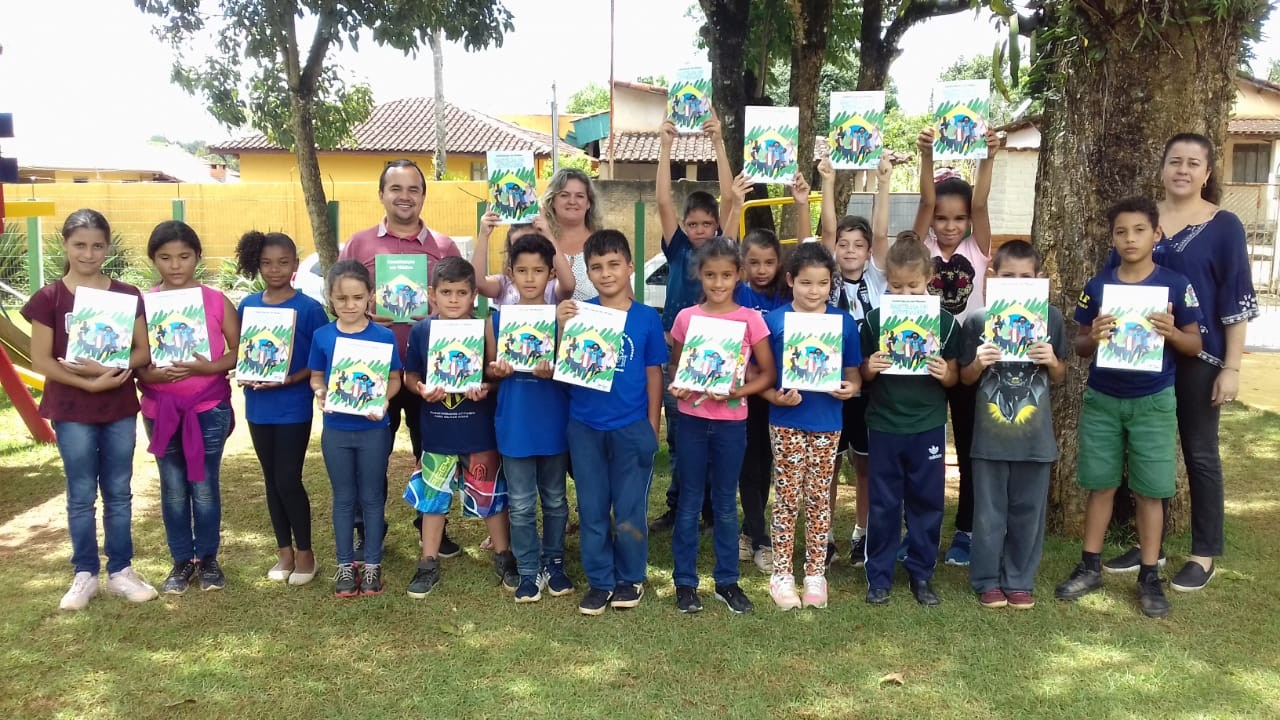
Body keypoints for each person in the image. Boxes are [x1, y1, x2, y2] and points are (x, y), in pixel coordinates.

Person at [1102, 134, 1259, 592]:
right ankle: (1153, 546)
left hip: (1200, 358)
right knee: (1149, 451)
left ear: (1207, 173)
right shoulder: (1144, 222)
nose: (1183, 170)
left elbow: (1236, 299)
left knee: (1200, 452)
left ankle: (1204, 553)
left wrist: (1231, 367)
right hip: (1140, 356)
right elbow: (1118, 279)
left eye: (1194, 163)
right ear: (1163, 168)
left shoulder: (1223, 225)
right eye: (1175, 161)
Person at [1056, 196, 1203, 618]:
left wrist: (1173, 332)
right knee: (1099, 484)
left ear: (1156, 234)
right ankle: (1090, 566)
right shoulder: (1098, 287)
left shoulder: (1175, 285)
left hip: (1154, 400)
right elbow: (1080, 346)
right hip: (1103, 397)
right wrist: (1094, 335)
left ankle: (1149, 575)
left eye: (1139, 230)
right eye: (1121, 231)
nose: (1130, 238)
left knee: (1149, 490)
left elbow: (1195, 344)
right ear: (1112, 237)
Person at [22, 209, 157, 610]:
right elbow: (40, 360)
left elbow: (143, 349)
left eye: (98, 245)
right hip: (71, 408)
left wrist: (111, 369)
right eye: (80, 245)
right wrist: (87, 382)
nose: (88, 253)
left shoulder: (127, 294)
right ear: (65, 244)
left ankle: (120, 571)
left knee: (119, 492)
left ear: (108, 247)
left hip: (117, 405)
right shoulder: (50, 297)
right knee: (81, 493)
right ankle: (84, 574)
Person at [339, 159, 462, 558]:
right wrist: (369, 314)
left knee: (435, 450)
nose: (404, 196)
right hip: (375, 368)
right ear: (381, 194)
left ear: (423, 196)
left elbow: (458, 300)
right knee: (371, 450)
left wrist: (436, 314)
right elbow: (345, 297)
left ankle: (431, 527)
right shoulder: (359, 244)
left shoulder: (443, 246)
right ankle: (365, 528)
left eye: (413, 189)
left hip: (430, 368)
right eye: (396, 188)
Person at [558, 230, 667, 615]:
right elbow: (557, 366)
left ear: (630, 267)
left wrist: (652, 424)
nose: (606, 274)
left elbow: (654, 374)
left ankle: (630, 577)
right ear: (588, 271)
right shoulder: (579, 312)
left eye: (614, 265)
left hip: (631, 427)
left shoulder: (646, 319)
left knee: (629, 508)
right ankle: (600, 580)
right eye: (596, 267)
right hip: (585, 426)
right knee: (591, 507)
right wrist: (560, 327)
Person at [668, 237, 776, 614]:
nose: (718, 283)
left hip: (732, 423)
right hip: (694, 422)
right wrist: (679, 385)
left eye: (726, 275)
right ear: (699, 275)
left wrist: (739, 389)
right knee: (689, 502)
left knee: (726, 503)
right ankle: (684, 582)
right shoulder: (686, 319)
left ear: (738, 276)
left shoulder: (750, 319)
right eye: (710, 275)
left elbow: (768, 373)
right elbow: (677, 366)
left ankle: (727, 581)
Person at [959, 241, 1068, 609]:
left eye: (1026, 277)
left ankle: (1019, 579)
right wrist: (978, 362)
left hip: (1035, 439)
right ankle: (987, 579)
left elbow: (1061, 375)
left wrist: (1052, 360)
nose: (1018, 282)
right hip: (990, 438)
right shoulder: (978, 320)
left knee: (1027, 513)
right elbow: (964, 378)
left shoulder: (1051, 317)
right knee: (988, 513)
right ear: (992, 278)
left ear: (1039, 279)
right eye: (1009, 277)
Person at [912, 127, 1003, 566]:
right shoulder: (920, 245)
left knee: (969, 448)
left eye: (957, 218)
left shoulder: (978, 247)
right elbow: (926, 201)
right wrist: (926, 157)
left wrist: (988, 157)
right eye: (941, 218)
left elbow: (981, 202)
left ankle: (965, 531)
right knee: (924, 451)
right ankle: (918, 530)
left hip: (970, 356)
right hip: (926, 355)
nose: (948, 226)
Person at [403, 257, 516, 598]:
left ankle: (503, 555)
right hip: (437, 432)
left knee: (491, 497)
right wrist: (421, 389)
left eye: (462, 292)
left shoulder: (485, 328)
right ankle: (428, 560)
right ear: (432, 295)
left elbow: (496, 376)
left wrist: (487, 387)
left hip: (478, 432)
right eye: (446, 292)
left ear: (473, 296)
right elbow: (410, 375)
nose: (454, 299)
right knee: (432, 499)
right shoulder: (422, 330)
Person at [859, 232, 962, 606]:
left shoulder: (946, 323)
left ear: (929, 278)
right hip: (885, 424)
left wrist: (943, 373)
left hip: (928, 425)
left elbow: (954, 377)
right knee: (884, 502)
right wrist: (869, 367)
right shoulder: (873, 321)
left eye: (913, 286)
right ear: (886, 281)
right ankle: (880, 577)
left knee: (927, 502)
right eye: (896, 286)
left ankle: (921, 574)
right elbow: (862, 373)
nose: (904, 294)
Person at [137, 221, 239, 595]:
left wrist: (206, 367)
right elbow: (134, 356)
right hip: (159, 410)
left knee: (205, 485)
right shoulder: (145, 305)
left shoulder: (214, 300)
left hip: (208, 408)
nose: (175, 265)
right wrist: (151, 375)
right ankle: (181, 561)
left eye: (183, 256)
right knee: (173, 487)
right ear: (154, 260)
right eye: (165, 258)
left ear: (197, 256)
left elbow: (239, 349)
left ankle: (208, 559)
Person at [762, 242, 861, 610]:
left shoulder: (843, 323)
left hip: (827, 422)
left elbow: (853, 376)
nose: (813, 291)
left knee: (819, 499)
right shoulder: (774, 322)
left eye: (821, 284)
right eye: (805, 283)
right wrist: (775, 397)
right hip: (786, 421)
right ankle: (782, 575)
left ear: (831, 284)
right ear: (790, 281)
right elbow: (762, 377)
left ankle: (815, 573)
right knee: (788, 499)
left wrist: (851, 389)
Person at [649, 113, 735, 533]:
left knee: (713, 431)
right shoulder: (679, 249)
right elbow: (664, 200)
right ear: (684, 227)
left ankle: (707, 508)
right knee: (679, 433)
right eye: (693, 223)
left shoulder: (722, 249)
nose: (700, 230)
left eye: (707, 223)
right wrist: (665, 147)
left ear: (717, 226)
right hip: (676, 353)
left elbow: (731, 197)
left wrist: (718, 142)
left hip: (719, 355)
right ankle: (679, 503)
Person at [812, 153, 895, 569]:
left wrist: (884, 181)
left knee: (865, 463)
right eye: (843, 244)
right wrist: (827, 180)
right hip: (829, 382)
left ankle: (861, 533)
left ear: (868, 253)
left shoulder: (878, 278)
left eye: (857, 245)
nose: (849, 249)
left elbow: (881, 232)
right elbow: (827, 230)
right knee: (828, 464)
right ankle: (823, 535)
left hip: (870, 384)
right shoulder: (825, 281)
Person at [234, 230, 329, 586]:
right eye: (266, 263)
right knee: (271, 480)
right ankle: (284, 552)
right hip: (258, 405)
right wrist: (245, 371)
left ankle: (306, 553)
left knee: (289, 478)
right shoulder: (248, 305)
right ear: (257, 264)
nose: (274, 270)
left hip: (292, 406)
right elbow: (247, 351)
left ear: (294, 264)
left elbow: (321, 361)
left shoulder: (309, 309)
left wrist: (289, 379)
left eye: (283, 262)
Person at [486, 233, 576, 603]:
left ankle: (554, 562)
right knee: (521, 502)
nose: (529, 278)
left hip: (553, 421)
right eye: (521, 270)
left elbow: (574, 371)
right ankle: (527, 569)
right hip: (515, 424)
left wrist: (552, 371)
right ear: (509, 273)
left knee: (555, 498)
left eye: (538, 271)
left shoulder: (565, 319)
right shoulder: (497, 320)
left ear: (551, 274)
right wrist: (499, 369)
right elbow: (490, 372)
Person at [309, 260, 402, 597]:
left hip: (373, 429)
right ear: (330, 299)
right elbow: (316, 375)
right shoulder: (323, 336)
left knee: (373, 498)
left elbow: (395, 378)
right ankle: (345, 566)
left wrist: (385, 400)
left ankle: (373, 565)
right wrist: (320, 391)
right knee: (344, 499)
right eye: (341, 299)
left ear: (370, 297)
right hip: (336, 429)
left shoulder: (383, 336)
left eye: (357, 298)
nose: (349, 305)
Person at [731, 227, 790, 574]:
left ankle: (747, 529)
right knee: (750, 465)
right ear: (742, 265)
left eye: (769, 262)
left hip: (786, 395)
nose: (762, 269)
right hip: (749, 394)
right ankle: (759, 537)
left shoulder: (787, 293)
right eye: (754, 262)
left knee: (767, 466)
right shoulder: (735, 292)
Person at [471, 213, 576, 307]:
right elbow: (477, 283)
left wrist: (549, 235)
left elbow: (568, 286)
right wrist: (483, 235)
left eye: (533, 240)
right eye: (518, 243)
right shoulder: (504, 284)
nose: (527, 246)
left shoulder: (551, 284)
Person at [541, 167, 603, 301]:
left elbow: (624, 295)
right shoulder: (538, 243)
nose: (572, 201)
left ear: (588, 203)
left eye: (580, 196)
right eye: (564, 195)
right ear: (552, 201)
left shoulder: (604, 243)